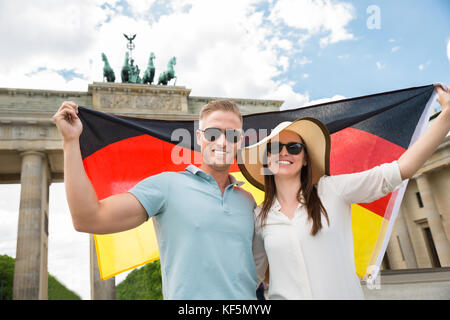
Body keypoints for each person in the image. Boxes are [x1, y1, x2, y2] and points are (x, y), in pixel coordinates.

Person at [238, 84, 450, 299]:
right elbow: (249, 277)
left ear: (305, 159)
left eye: (294, 147)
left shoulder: (333, 190)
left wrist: (446, 117)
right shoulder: (258, 216)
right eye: (274, 148)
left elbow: (400, 170)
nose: (284, 152)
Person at [52, 99, 257, 300]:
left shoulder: (248, 202)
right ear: (198, 137)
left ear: (240, 140)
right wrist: (70, 142)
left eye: (232, 135)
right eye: (212, 134)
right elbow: (88, 218)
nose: (222, 142)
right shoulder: (166, 186)